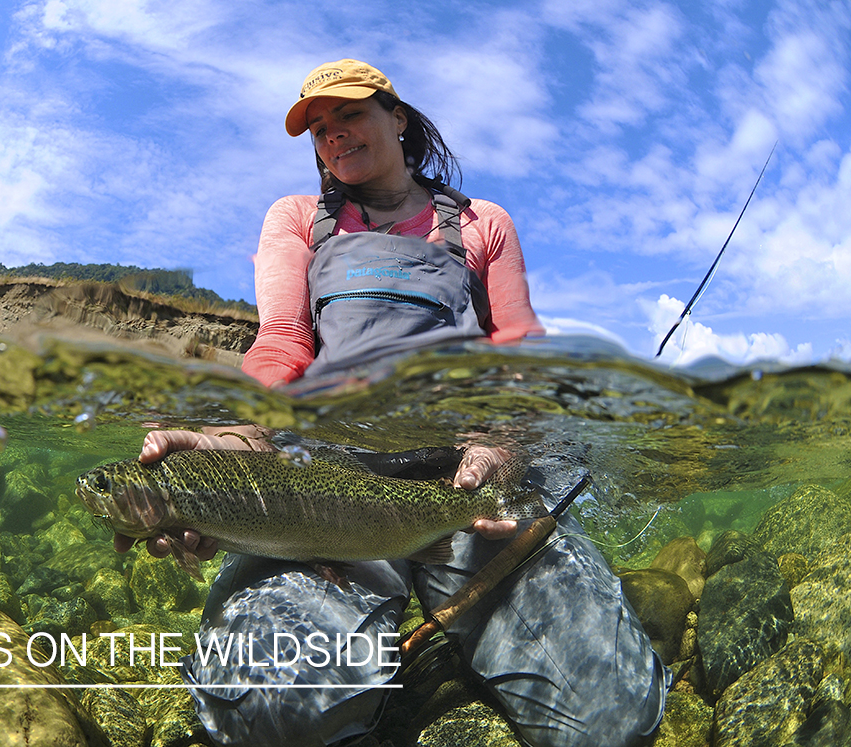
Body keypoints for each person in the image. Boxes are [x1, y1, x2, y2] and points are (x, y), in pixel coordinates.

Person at [115, 60, 669, 747]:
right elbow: (281, 343)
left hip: (470, 486)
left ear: (397, 117)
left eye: (347, 115)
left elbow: (519, 355)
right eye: (317, 128)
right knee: (262, 711)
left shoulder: (482, 223)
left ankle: (429, 643)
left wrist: (502, 445)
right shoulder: (296, 219)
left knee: (611, 722)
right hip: (326, 491)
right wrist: (233, 438)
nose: (332, 137)